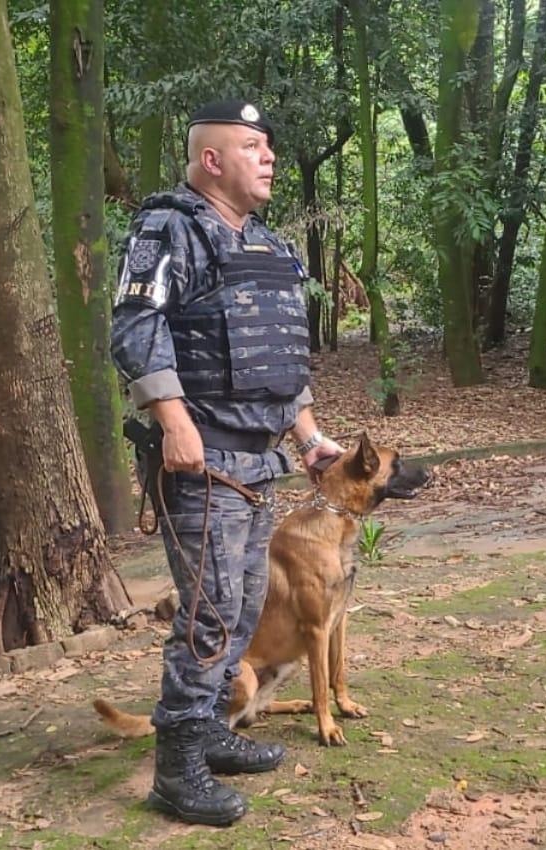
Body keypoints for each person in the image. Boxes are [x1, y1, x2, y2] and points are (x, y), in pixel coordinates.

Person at [110, 99, 342, 826]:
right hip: (201, 463)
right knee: (208, 615)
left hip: (259, 463)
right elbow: (134, 326)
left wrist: (307, 439)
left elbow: (280, 359)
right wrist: (172, 420)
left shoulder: (267, 246)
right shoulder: (168, 228)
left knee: (241, 609)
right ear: (211, 159)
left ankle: (210, 730)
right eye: (252, 147)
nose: (269, 157)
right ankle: (176, 770)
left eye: (269, 146)